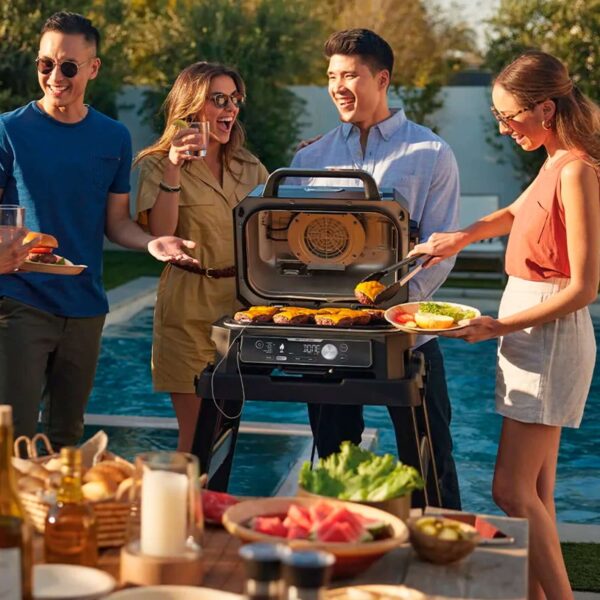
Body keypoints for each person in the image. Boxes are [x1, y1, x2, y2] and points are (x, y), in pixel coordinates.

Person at [410, 50, 600, 600]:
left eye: (509, 115)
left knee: (510, 491)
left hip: (547, 332)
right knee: (537, 489)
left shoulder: (577, 170)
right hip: (529, 328)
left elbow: (585, 286)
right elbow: (516, 214)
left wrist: (499, 327)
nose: (502, 126)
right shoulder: (553, 159)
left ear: (544, 107)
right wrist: (460, 237)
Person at [0, 12, 197, 450]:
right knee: (12, 440)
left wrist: (152, 242)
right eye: (45, 64)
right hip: (19, 302)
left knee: (68, 439)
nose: (55, 76)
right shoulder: (9, 129)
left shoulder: (112, 137)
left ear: (93, 68)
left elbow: (117, 223)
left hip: (85, 307)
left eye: (69, 66)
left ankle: (58, 521)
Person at [290, 29, 461, 509]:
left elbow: (441, 247)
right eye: (331, 76)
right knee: (335, 462)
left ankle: (438, 559)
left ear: (381, 79)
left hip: (407, 336)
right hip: (330, 333)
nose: (338, 86)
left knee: (430, 460)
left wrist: (397, 313)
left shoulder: (431, 154)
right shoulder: (309, 157)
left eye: (350, 75)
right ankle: (346, 554)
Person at [134, 62, 269, 451]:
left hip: (241, 308)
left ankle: (207, 509)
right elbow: (161, 234)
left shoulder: (250, 167)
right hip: (188, 305)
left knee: (224, 435)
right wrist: (175, 168)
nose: (231, 108)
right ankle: (182, 510)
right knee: (197, 438)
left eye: (235, 100)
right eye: (219, 99)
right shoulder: (157, 165)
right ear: (192, 105)